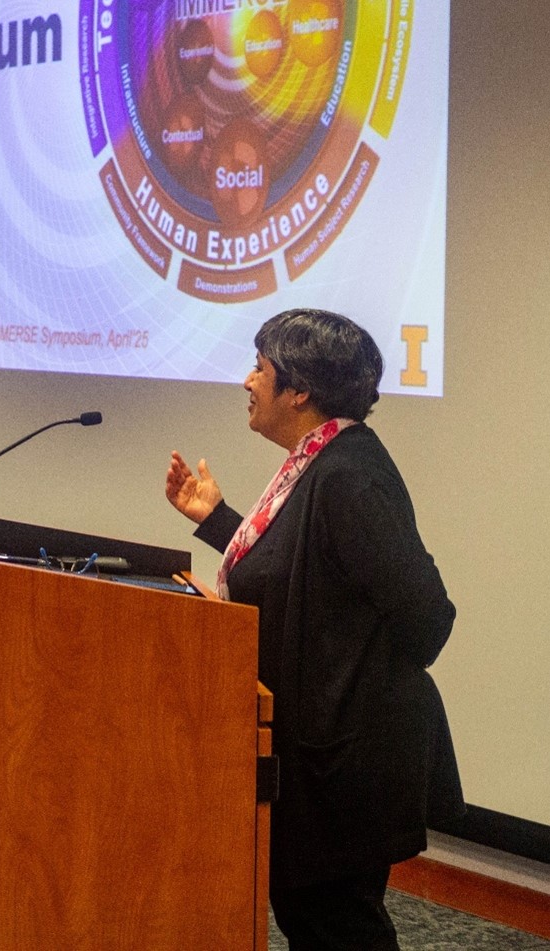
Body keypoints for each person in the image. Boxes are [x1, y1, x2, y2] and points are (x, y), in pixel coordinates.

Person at [164, 309, 462, 950]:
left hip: (345, 763)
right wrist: (217, 520)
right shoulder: (319, 464)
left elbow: (428, 617)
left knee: (337, 928)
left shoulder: (348, 474)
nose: (247, 380)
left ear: (298, 390)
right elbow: (305, 576)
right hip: (320, 752)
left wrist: (347, 684)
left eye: (260, 367)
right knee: (319, 923)